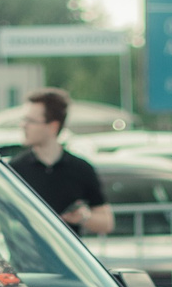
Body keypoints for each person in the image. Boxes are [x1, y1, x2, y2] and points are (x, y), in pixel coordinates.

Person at [9, 88, 113, 236]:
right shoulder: (15, 168)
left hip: (65, 251)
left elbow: (107, 223)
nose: (23, 125)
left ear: (53, 127)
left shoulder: (81, 169)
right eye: (24, 119)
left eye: (30, 121)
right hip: (25, 251)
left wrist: (84, 217)